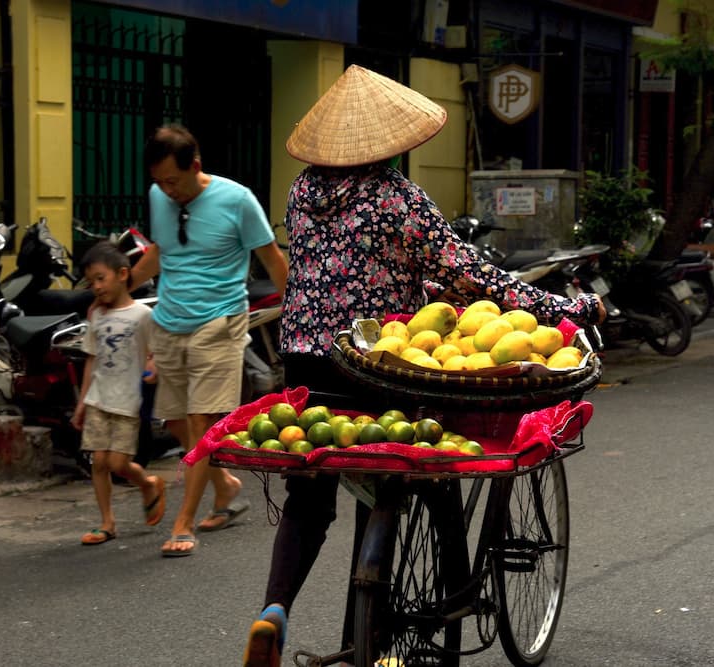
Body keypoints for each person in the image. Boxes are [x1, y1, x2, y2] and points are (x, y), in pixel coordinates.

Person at [241, 64, 607, 667]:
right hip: (379, 362)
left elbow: (361, 266)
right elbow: (476, 275)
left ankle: (273, 610)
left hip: (306, 358)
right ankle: (376, 637)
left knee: (312, 492)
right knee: (406, 468)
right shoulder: (397, 197)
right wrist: (563, 306)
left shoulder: (303, 191)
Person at [130, 124, 289, 557]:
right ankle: (226, 485)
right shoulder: (159, 196)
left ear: (195, 167)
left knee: (201, 422)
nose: (166, 190)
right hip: (169, 320)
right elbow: (161, 250)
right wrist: (121, 286)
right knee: (176, 422)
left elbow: (271, 257)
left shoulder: (237, 200)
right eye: (159, 182)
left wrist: (297, 315)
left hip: (218, 321)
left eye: (174, 182)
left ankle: (183, 523)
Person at [72, 240, 166, 545]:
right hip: (99, 398)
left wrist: (153, 367)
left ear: (123, 274)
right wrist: (82, 403)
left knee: (117, 464)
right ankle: (107, 522)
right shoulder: (96, 316)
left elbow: (155, 352)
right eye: (91, 282)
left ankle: (149, 483)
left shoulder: (142, 315)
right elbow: (92, 358)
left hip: (127, 401)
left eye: (101, 278)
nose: (96, 287)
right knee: (98, 462)